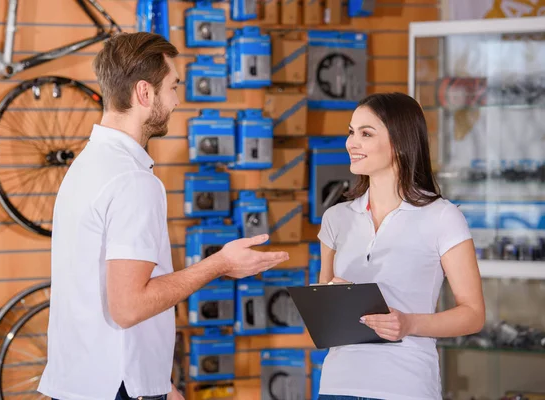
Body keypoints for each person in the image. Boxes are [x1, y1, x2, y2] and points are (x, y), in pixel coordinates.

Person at [37, 32, 289, 400]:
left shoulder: (87, 166)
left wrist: (157, 381)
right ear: (144, 93)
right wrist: (219, 264)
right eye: (173, 86)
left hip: (90, 381)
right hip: (117, 389)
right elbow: (128, 307)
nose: (176, 100)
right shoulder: (133, 180)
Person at [316, 92, 486, 400]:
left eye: (365, 134)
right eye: (351, 132)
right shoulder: (336, 218)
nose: (351, 143)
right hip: (337, 385)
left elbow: (473, 314)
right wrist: (332, 297)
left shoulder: (442, 217)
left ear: (400, 142)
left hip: (405, 386)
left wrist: (408, 323)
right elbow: (323, 318)